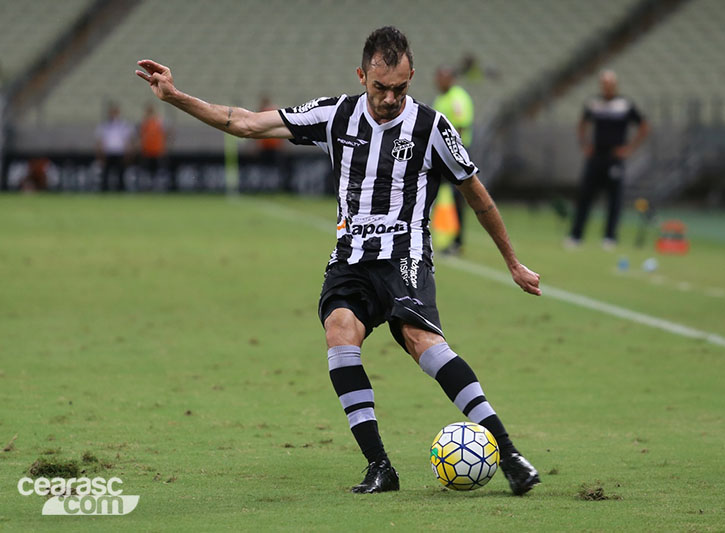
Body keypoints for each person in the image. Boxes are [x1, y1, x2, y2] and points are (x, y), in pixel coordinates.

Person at [136, 26, 542, 495]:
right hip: (350, 259)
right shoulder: (335, 115)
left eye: (401, 88)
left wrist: (512, 261)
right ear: (361, 75)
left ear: (412, 78)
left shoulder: (432, 127)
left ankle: (508, 452)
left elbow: (477, 195)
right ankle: (380, 467)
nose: (390, 98)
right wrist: (174, 97)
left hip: (405, 257)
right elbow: (245, 123)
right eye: (380, 87)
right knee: (340, 332)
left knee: (420, 341)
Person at [566, 70, 649, 250]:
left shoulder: (624, 105)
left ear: (615, 85)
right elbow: (582, 123)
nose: (607, 87)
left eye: (610, 84)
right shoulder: (594, 103)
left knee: (614, 199)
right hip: (596, 157)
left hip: (614, 158)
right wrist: (584, 144)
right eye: (604, 84)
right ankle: (576, 235)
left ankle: (610, 237)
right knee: (585, 196)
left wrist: (630, 148)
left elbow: (643, 125)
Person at [432, 65, 473, 255]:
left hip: (455, 154)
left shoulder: (457, 98)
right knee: (435, 193)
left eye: (442, 78)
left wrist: (453, 155)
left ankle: (457, 241)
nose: (438, 82)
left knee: (457, 198)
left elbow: (460, 127)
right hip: (440, 154)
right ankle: (441, 236)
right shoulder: (441, 98)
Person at [95, 103, 134, 192]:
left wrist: (128, 152)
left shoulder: (123, 125)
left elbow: (127, 140)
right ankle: (104, 190)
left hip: (119, 152)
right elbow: (100, 140)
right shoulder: (104, 125)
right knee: (106, 173)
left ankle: (121, 190)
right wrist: (100, 153)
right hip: (108, 152)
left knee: (121, 174)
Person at [138, 103, 171, 190]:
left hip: (157, 150)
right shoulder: (145, 122)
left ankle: (158, 186)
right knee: (147, 171)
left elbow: (166, 134)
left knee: (158, 170)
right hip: (147, 150)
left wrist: (164, 146)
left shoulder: (159, 122)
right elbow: (141, 136)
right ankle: (147, 186)